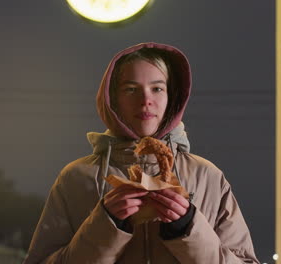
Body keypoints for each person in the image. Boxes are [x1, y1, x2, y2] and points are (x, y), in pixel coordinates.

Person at [23, 43, 259, 263]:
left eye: (157, 88)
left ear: (172, 97)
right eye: (131, 89)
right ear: (112, 99)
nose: (146, 100)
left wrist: (188, 227)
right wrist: (105, 225)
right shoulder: (76, 178)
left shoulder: (207, 176)